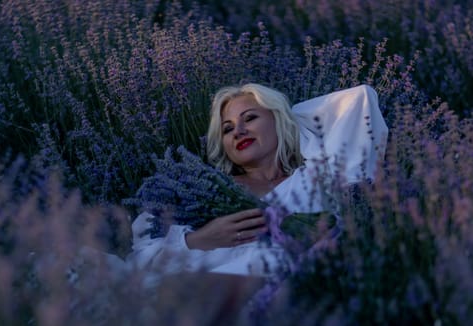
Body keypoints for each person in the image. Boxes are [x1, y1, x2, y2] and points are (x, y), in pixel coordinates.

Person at [126, 83, 388, 277]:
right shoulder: (196, 189)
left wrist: (293, 122)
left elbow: (358, 99)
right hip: (200, 285)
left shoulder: (315, 177)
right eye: (227, 129)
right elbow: (140, 258)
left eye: (250, 118)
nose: (238, 131)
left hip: (285, 286)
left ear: (279, 122)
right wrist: (201, 239)